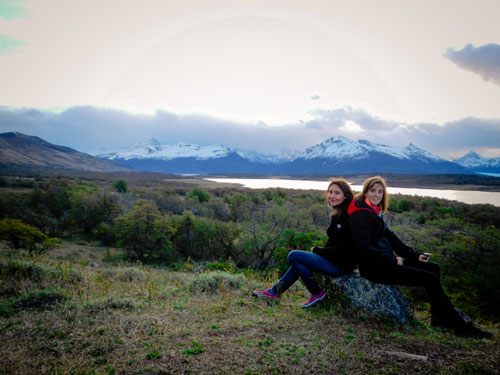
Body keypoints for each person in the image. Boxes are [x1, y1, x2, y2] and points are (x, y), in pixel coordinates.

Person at [347, 176, 493, 339]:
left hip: (384, 262)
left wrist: (415, 256)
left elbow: (393, 239)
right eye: (372, 190)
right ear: (365, 191)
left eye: (380, 191)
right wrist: (393, 260)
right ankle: (460, 327)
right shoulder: (360, 216)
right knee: (429, 279)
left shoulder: (373, 212)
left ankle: (439, 319)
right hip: (375, 269)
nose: (376, 194)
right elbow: (364, 249)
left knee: (433, 267)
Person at [253, 178, 357, 308]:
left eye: (337, 193)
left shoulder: (348, 216)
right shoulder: (337, 214)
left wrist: (318, 251)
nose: (332, 196)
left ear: (345, 195)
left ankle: (316, 292)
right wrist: (320, 253)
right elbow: (332, 243)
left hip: (342, 265)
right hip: (335, 261)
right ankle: (274, 292)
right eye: (330, 192)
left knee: (294, 256)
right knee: (299, 262)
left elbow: (343, 249)